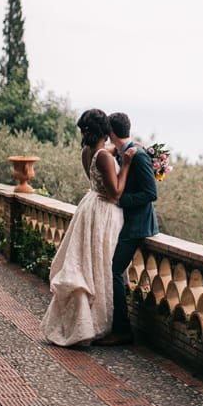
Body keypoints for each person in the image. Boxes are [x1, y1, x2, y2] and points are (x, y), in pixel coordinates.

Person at [40, 109, 136, 346]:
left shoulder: (88, 152)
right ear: (106, 130)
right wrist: (126, 165)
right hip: (105, 211)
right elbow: (114, 193)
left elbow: (97, 174)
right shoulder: (104, 155)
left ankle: (85, 320)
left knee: (89, 264)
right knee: (101, 264)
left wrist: (120, 151)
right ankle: (101, 323)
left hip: (89, 208)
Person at [92, 111, 159, 346]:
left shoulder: (137, 156)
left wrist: (120, 201)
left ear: (110, 133)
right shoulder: (124, 152)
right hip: (124, 223)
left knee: (113, 271)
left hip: (137, 226)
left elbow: (151, 194)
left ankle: (122, 329)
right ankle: (115, 324)